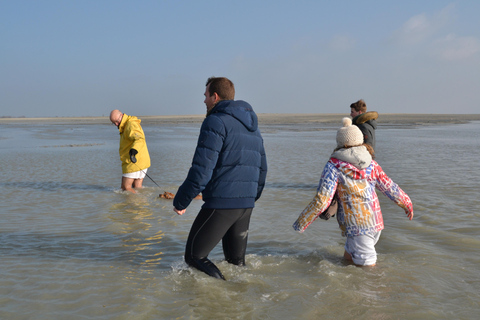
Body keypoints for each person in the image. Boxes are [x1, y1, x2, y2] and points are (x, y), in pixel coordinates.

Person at [173, 77, 267, 280]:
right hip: (246, 204)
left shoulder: (215, 121)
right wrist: (251, 197)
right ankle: (238, 302)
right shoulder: (253, 128)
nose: (204, 101)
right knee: (237, 264)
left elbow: (201, 169)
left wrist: (181, 200)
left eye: (206, 96)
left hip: (223, 202)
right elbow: (262, 169)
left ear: (215, 96)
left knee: (194, 256)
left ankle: (223, 294)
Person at [293, 117, 413, 267]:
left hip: (357, 227)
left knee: (368, 274)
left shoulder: (334, 166)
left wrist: (302, 221)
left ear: (341, 143)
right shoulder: (371, 163)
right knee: (347, 261)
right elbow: (389, 187)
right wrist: (407, 203)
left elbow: (322, 200)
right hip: (375, 223)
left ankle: (377, 289)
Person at [109, 109, 151, 193]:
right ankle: (139, 204)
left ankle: (133, 203)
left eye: (117, 121)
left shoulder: (130, 124)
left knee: (125, 187)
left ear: (121, 115)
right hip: (141, 160)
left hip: (133, 161)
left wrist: (134, 150)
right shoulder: (126, 125)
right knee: (137, 187)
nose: (116, 124)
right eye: (114, 123)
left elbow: (139, 138)